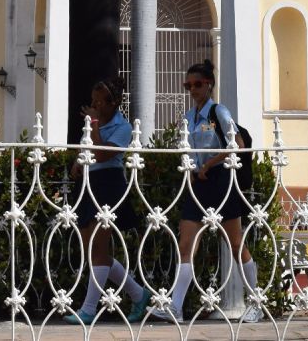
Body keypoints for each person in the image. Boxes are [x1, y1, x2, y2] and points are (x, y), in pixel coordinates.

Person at [151, 59, 261, 324]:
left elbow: (237, 144)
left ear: (209, 85)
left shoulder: (218, 112)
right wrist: (192, 168)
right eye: (188, 85)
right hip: (198, 182)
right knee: (186, 244)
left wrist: (209, 164)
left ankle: (256, 302)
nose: (192, 89)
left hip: (220, 179)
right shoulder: (189, 117)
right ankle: (176, 306)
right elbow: (189, 149)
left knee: (235, 244)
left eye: (197, 84)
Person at [66, 77, 146, 325]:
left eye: (100, 102)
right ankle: (139, 294)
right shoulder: (93, 123)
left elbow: (102, 154)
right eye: (93, 101)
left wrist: (94, 124)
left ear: (114, 103)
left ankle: (89, 309)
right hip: (89, 184)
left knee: (99, 247)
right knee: (93, 251)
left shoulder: (123, 128)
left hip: (109, 184)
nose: (95, 106)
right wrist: (78, 161)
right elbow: (87, 149)